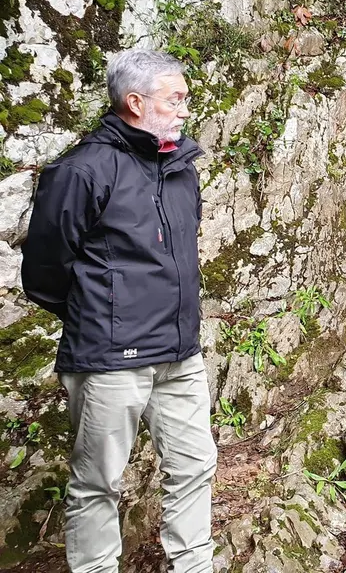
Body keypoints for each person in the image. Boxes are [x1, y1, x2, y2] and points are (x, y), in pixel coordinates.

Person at [22, 48, 217, 573]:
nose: (184, 108)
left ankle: (195, 566)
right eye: (174, 98)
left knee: (196, 466)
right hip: (110, 360)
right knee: (97, 482)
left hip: (180, 354)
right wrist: (103, 316)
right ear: (135, 102)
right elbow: (43, 272)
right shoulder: (82, 171)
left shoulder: (181, 169)